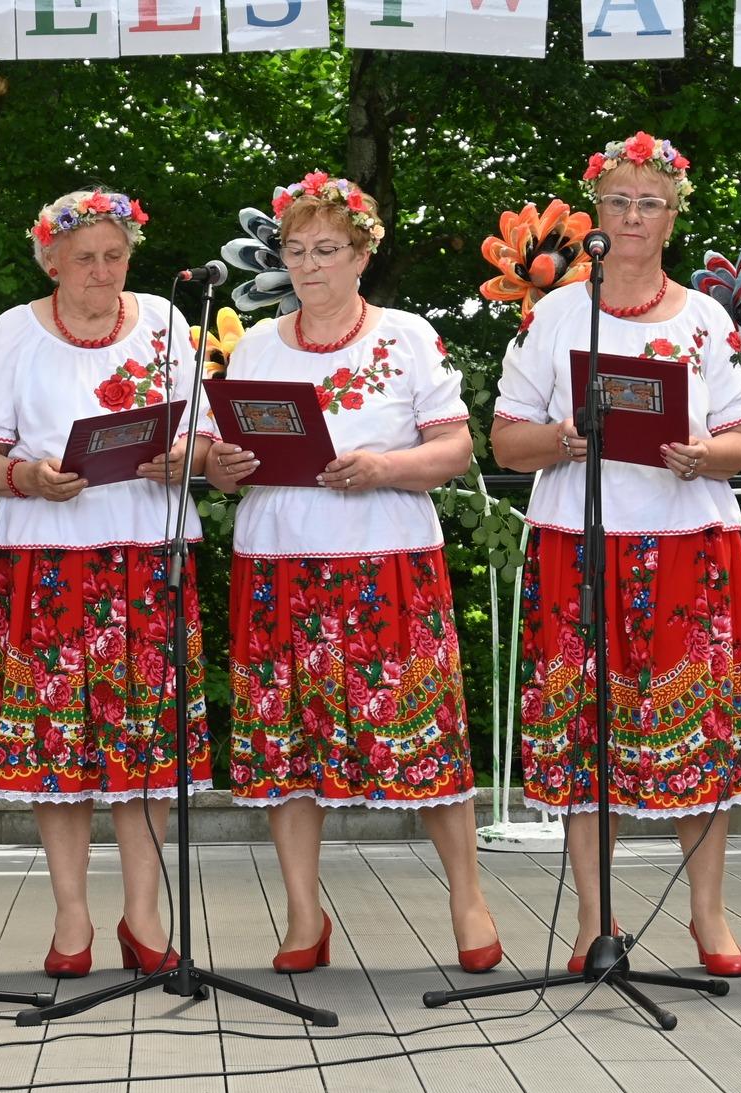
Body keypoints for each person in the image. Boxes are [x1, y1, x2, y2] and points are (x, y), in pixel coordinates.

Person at [491, 134, 741, 978]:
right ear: (596, 214)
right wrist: (561, 438)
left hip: (688, 543)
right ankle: (595, 920)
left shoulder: (705, 318)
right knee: (586, 731)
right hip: (578, 544)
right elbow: (506, 439)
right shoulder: (556, 314)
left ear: (672, 217)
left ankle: (708, 912)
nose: (631, 216)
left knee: (701, 726)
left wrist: (705, 454)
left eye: (649, 203)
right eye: (618, 201)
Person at [204, 171, 502, 975]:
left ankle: (467, 898)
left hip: (387, 562)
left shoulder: (406, 335)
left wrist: (384, 467)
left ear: (362, 254)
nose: (309, 265)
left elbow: (456, 448)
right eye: (296, 250)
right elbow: (225, 457)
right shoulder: (258, 344)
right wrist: (223, 464)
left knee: (425, 732)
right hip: (279, 565)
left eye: (327, 249)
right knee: (288, 746)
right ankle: (304, 913)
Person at [0, 188, 208, 979]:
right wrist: (28, 476)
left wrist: (184, 458)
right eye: (84, 259)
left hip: (147, 554)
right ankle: (72, 914)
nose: (102, 271)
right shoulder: (14, 331)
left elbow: (206, 435)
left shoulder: (167, 322)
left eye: (114, 256)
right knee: (54, 742)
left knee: (147, 740)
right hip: (48, 558)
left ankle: (144, 913)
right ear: (52, 261)